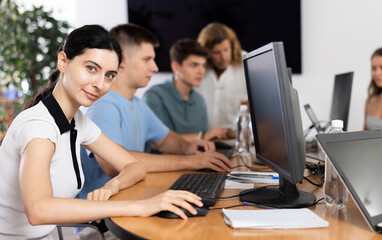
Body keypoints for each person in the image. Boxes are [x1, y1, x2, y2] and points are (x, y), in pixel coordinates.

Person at [0, 25, 203, 240]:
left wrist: (112, 186)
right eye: (91, 68)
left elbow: (134, 166)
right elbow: (38, 210)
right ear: (63, 62)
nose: (100, 84)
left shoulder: (78, 122)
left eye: (109, 75)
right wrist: (139, 206)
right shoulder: (39, 127)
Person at [78, 24, 232, 205]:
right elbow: (114, 165)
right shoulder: (103, 105)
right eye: (147, 59)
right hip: (106, 221)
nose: (155, 67)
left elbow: (165, 139)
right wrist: (190, 161)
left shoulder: (137, 104)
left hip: (132, 204)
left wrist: (187, 148)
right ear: (123, 60)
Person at [143, 39, 232, 142]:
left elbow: (206, 140)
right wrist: (203, 136)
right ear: (176, 67)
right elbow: (160, 142)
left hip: (196, 157)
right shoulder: (154, 97)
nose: (201, 71)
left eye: (203, 65)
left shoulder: (199, 101)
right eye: (194, 65)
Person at [195, 22, 247, 133]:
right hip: (203, 140)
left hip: (235, 140)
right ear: (206, 52)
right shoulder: (197, 68)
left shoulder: (246, 64)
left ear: (232, 47)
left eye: (226, 50)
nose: (223, 57)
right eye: (216, 52)